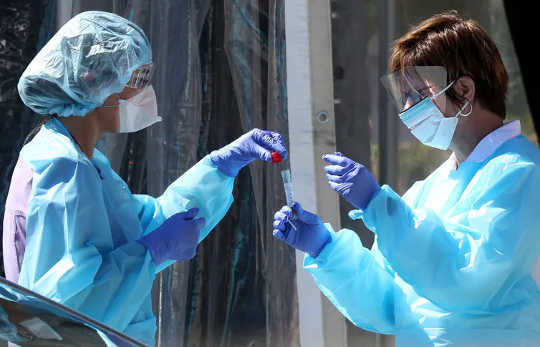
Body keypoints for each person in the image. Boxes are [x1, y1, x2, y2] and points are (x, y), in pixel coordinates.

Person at [2, 11, 287, 347]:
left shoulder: (82, 162)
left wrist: (220, 167)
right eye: (137, 80)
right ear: (94, 81)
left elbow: (145, 224)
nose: (146, 93)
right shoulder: (64, 169)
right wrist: (151, 252)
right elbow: (66, 309)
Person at [273, 12, 540, 347]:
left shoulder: (521, 171)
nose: (410, 108)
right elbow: (388, 305)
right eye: (404, 97)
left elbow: (468, 277)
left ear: (464, 88)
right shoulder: (427, 191)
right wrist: (326, 250)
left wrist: (377, 205)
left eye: (419, 92)